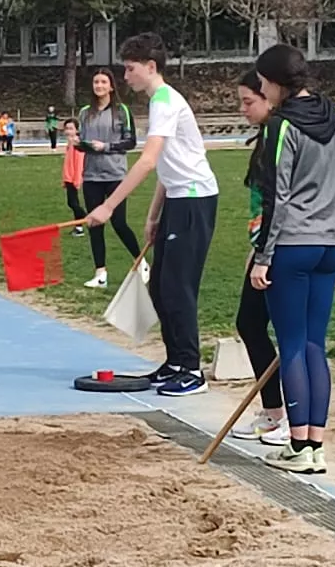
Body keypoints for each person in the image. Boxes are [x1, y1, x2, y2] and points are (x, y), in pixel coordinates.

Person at [248, 43, 335, 474]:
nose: (262, 90)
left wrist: (263, 255)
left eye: (263, 83)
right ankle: (314, 444)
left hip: (293, 246)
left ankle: (298, 446)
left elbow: (276, 195)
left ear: (277, 83)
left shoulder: (280, 126)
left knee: (292, 344)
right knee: (315, 343)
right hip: (330, 246)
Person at [84, 33, 219, 397]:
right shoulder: (159, 102)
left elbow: (147, 161)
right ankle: (175, 362)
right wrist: (153, 215)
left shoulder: (165, 101)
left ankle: (192, 370)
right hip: (177, 198)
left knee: (178, 287)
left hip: (195, 199)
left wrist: (109, 206)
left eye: (130, 69)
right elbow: (166, 166)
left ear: (150, 67)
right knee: (159, 285)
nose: (125, 76)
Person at [234, 70, 289, 445]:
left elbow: (279, 199)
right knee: (249, 323)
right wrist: (255, 248)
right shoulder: (265, 137)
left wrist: (265, 252)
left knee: (281, 330)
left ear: (269, 96)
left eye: (248, 101)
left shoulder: (280, 137)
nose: (243, 109)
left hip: (283, 246)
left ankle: (290, 419)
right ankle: (273, 411)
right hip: (264, 244)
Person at [74, 70, 141, 289]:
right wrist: (79, 144)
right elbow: (83, 142)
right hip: (91, 176)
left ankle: (141, 262)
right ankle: (100, 273)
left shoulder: (122, 111)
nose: (99, 85)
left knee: (119, 222)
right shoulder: (85, 113)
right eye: (96, 82)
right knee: (94, 225)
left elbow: (131, 142)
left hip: (115, 175)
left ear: (111, 86)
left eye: (104, 82)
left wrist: (106, 146)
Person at [60, 117, 86, 234]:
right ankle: (79, 227)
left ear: (77, 130)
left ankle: (87, 218)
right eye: (66, 128)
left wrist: (77, 179)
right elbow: (68, 163)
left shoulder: (77, 143)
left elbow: (79, 163)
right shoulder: (70, 143)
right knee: (73, 203)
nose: (68, 131)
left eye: (71, 128)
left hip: (73, 178)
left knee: (73, 203)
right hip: (68, 177)